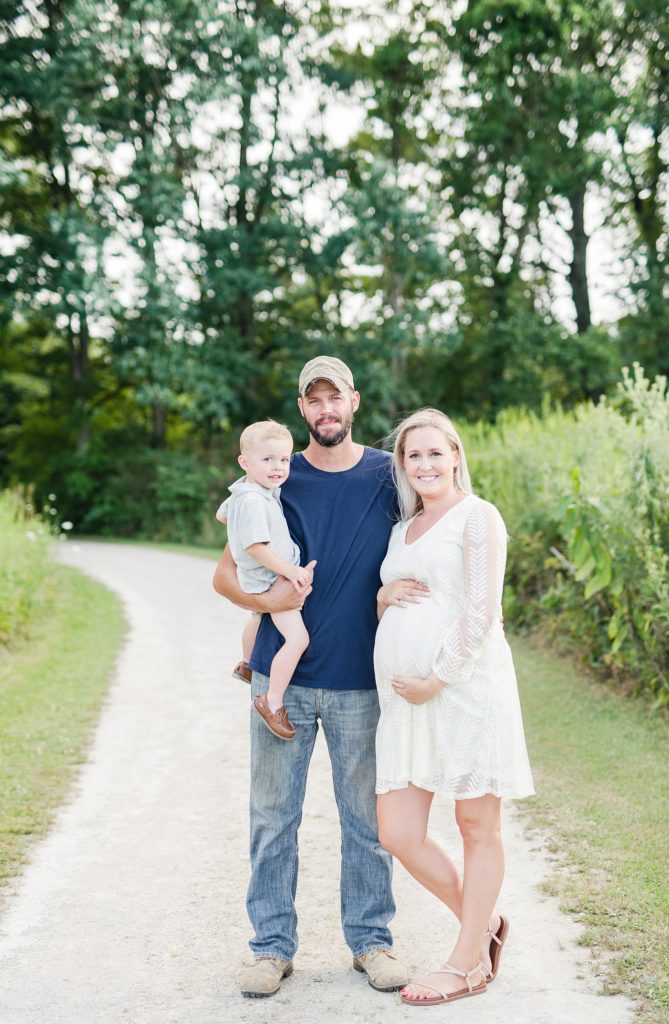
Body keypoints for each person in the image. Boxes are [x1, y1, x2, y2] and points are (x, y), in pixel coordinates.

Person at [212, 356, 408, 999]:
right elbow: (224, 575)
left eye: (335, 397)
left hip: (362, 680)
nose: (326, 409)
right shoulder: (274, 475)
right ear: (302, 409)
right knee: (272, 820)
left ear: (354, 401)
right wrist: (267, 602)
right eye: (314, 400)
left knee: (367, 823)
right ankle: (270, 949)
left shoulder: (388, 474)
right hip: (283, 680)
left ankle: (372, 941)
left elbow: (437, 530)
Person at [373, 407, 534, 1007]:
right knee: (398, 831)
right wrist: (384, 594)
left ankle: (467, 963)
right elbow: (395, 601)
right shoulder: (403, 527)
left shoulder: (477, 517)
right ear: (402, 464)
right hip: (408, 703)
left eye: (435, 453)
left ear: (456, 456)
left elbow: (481, 612)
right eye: (413, 455)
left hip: (465, 690)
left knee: (474, 824)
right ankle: (484, 924)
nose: (424, 464)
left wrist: (436, 678)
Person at [215, 420, 313, 741]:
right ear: (245, 462)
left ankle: (246, 662)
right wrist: (289, 570)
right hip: (270, 579)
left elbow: (221, 515)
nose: (278, 467)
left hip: (255, 577)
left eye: (284, 459)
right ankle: (272, 701)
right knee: (297, 640)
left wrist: (236, 523)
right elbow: (255, 547)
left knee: (257, 617)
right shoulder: (254, 500)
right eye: (268, 459)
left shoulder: (245, 491)